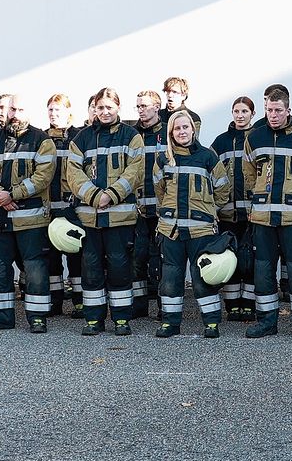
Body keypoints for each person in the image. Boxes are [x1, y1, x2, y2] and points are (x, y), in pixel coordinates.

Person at [63, 88, 146, 336]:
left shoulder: (132, 136)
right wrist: (95, 196)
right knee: (91, 269)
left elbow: (135, 172)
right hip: (89, 218)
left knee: (121, 268)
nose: (105, 112)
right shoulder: (81, 138)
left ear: (118, 108)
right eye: (100, 107)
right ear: (94, 109)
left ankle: (121, 319)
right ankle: (93, 320)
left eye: (109, 107)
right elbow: (73, 174)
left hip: (121, 217)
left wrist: (111, 194)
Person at [0, 94, 57, 333]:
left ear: (30, 112)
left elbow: (43, 176)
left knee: (35, 268)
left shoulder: (42, 140)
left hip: (31, 218)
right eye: (11, 110)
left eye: (20, 110)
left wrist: (13, 194)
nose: (15, 115)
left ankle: (37, 317)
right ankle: (1, 316)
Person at [244, 86, 292, 339]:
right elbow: (248, 173)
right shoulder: (254, 137)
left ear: (288, 111)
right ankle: (267, 321)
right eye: (269, 110)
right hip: (262, 218)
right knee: (264, 268)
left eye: (278, 110)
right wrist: (257, 192)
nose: (273, 115)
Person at [152, 109, 228, 338]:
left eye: (185, 127)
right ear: (171, 132)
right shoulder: (163, 159)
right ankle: (170, 324)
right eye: (177, 128)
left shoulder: (208, 157)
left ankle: (211, 323)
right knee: (170, 279)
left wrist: (208, 211)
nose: (182, 131)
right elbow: (160, 192)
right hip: (171, 230)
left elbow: (222, 191)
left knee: (202, 277)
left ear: (193, 129)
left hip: (201, 230)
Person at [211, 96, 258, 321]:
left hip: (253, 213)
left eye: (244, 112)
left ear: (252, 114)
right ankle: (232, 306)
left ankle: (248, 304)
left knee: (250, 260)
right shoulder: (220, 142)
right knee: (229, 259)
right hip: (226, 213)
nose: (240, 116)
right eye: (236, 111)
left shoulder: (259, 138)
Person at [131, 91, 169, 322]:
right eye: (138, 106)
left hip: (162, 209)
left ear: (157, 107)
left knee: (163, 259)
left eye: (144, 106)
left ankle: (165, 305)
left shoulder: (168, 133)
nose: (140, 110)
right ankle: (139, 305)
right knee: (137, 257)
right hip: (137, 210)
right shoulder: (131, 134)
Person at [44, 93, 81, 316]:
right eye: (50, 110)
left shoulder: (78, 136)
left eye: (58, 110)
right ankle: (55, 302)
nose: (54, 114)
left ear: (68, 111)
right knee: (50, 260)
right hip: (47, 208)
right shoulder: (40, 137)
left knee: (76, 257)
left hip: (72, 207)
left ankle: (79, 302)